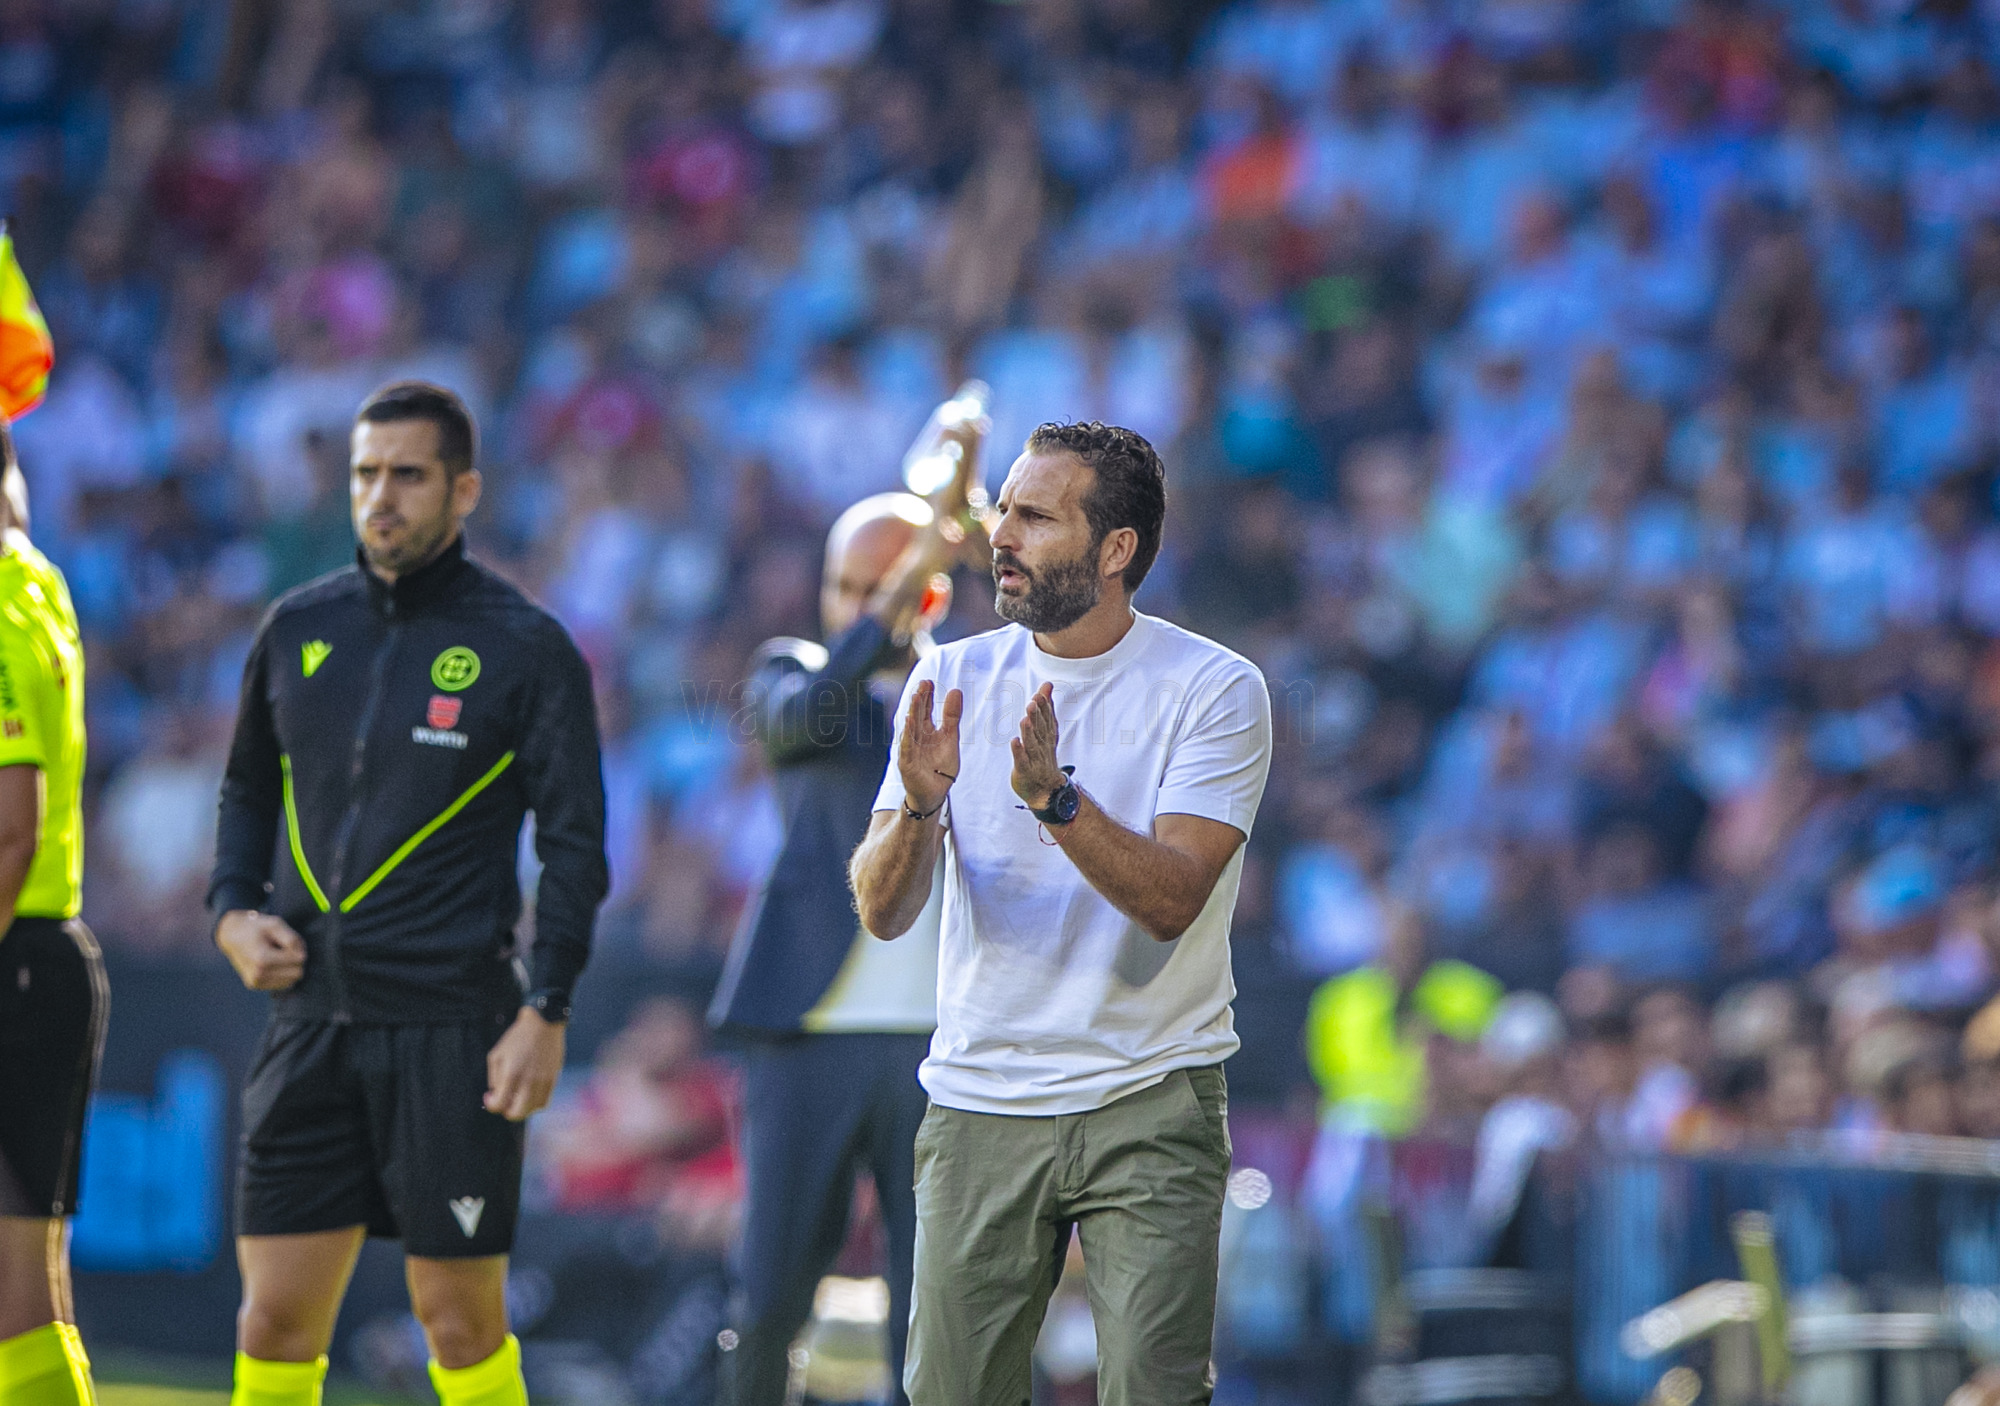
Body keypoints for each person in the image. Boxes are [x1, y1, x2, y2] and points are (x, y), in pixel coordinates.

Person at [849, 420, 1274, 1405]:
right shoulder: (949, 677)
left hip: (1150, 1093)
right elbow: (882, 910)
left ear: (1115, 548)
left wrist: (1055, 800)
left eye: (1036, 517)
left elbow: (1171, 899)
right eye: (1003, 509)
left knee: (1155, 1392)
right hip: (979, 1099)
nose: (999, 534)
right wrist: (919, 806)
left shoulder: (1215, 688)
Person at [207, 381, 608, 1406]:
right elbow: (247, 787)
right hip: (309, 1022)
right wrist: (231, 911)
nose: (380, 496)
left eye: (408, 475)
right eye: (365, 474)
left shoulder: (527, 647)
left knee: (459, 1321)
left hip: (452, 1028)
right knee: (273, 1319)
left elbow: (575, 846)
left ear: (464, 490)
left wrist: (547, 1008)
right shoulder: (296, 626)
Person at [708, 481, 970, 1406]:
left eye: (882, 587)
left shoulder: (972, 688)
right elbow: (803, 716)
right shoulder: (792, 673)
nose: (858, 607)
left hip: (938, 1042)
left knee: (928, 1308)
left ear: (931, 591)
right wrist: (895, 602)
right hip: (806, 1036)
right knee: (769, 1294)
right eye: (846, 586)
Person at [0, 427, 104, 1406]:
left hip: (15, 954)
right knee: (30, 1287)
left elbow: (9, 827)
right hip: (40, 953)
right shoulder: (38, 585)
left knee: (18, 1297)